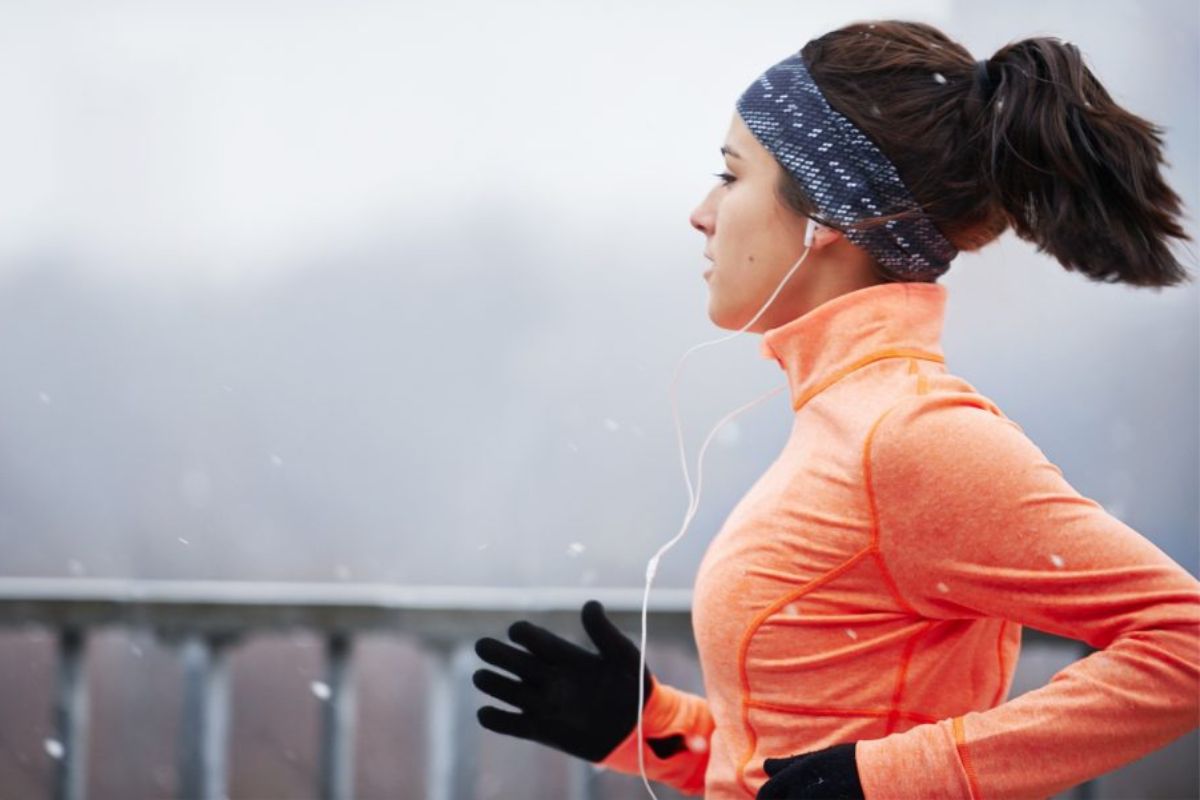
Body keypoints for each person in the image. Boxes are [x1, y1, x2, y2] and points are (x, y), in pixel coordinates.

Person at [472, 19, 1200, 799]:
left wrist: (894, 779)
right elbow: (803, 762)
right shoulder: (846, 423)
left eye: (730, 176)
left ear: (827, 215)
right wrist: (652, 730)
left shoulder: (913, 437)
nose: (701, 213)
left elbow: (1186, 645)